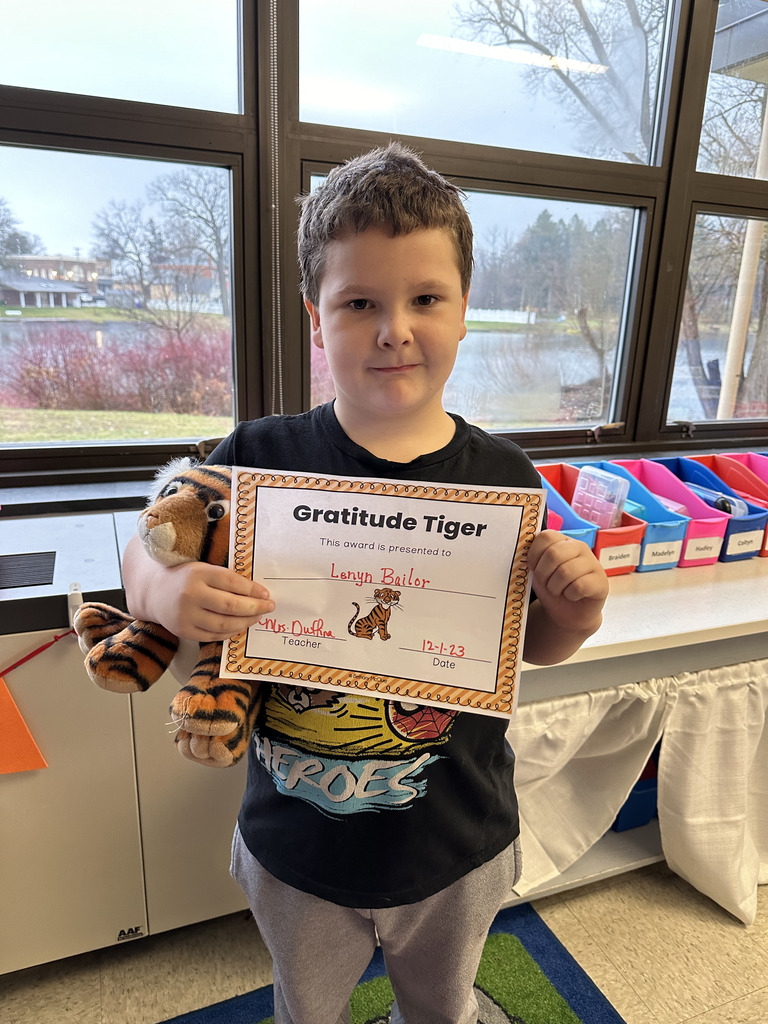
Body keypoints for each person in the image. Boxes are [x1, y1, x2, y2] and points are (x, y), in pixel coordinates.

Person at [122, 141, 608, 1024]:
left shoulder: (504, 477)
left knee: (440, 1008)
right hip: (295, 847)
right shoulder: (258, 458)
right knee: (307, 1010)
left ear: (465, 313)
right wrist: (163, 595)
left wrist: (572, 617)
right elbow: (149, 544)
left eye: (426, 298)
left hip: (455, 840)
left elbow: (520, 647)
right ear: (317, 320)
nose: (396, 329)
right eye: (359, 303)